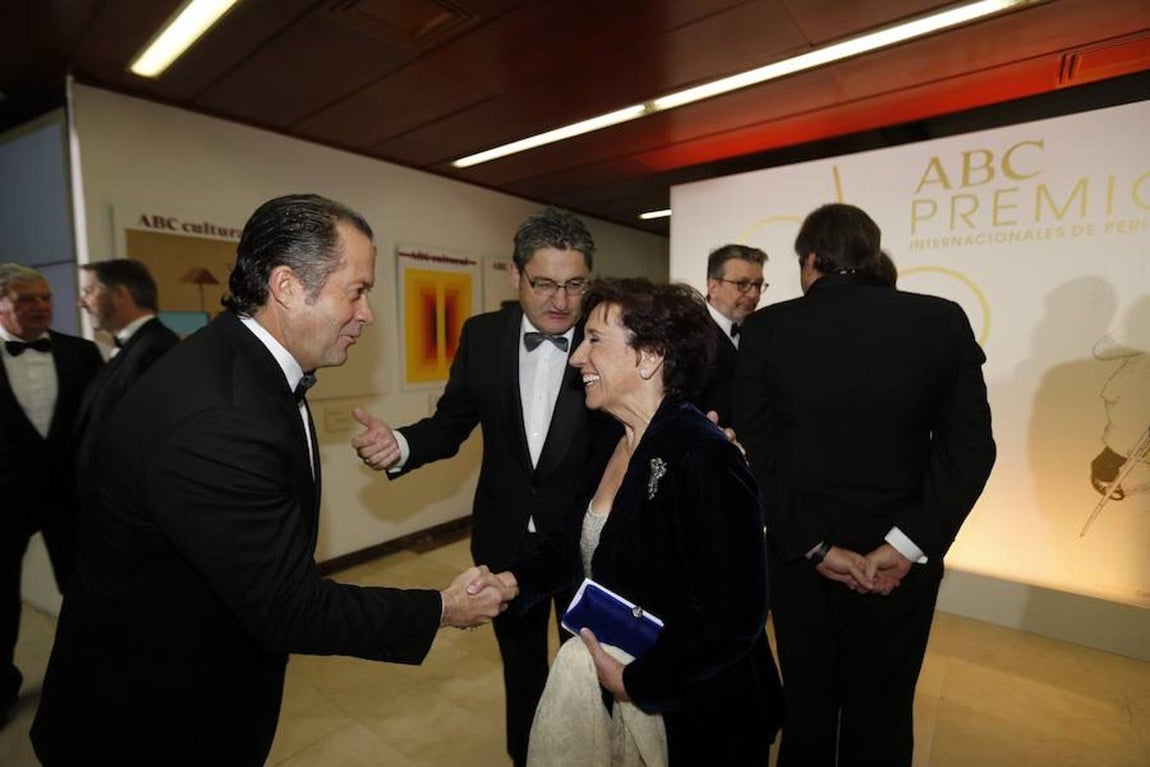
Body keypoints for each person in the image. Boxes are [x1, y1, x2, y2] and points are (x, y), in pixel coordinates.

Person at [30, 194, 514, 765]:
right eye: (356, 290)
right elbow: (289, 607)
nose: (368, 313)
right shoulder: (223, 416)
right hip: (151, 722)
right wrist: (443, 607)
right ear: (286, 286)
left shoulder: (242, 364)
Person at [736, 203, 996, 767]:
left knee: (806, 709)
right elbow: (971, 449)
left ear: (811, 260)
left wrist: (816, 545)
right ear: (872, 254)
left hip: (801, 562)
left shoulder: (766, 329)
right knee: (882, 713)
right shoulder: (942, 320)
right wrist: (905, 545)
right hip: (899, 567)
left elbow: (756, 455)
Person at [352, 207, 606, 766]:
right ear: (515, 277)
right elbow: (450, 423)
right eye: (544, 284)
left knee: (590, 676)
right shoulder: (483, 335)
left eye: (574, 285)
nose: (561, 301)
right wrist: (401, 444)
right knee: (522, 677)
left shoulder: (606, 338)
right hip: (505, 541)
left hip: (587, 548)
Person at [497, 278, 782, 764]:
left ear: (649, 357)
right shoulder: (611, 440)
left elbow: (734, 617)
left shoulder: (706, 456)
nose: (576, 357)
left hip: (703, 714)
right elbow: (573, 544)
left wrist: (636, 682)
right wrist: (509, 582)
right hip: (634, 698)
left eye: (594, 340)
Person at [0, 264, 102, 729]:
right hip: (1, 505)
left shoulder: (81, 354)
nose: (41, 306)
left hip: (71, 500)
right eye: (26, 299)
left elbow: (101, 429)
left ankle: (92, 679)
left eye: (45, 297)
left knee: (87, 593)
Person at [74, 258, 180, 472]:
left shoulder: (157, 349)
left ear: (120, 294)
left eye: (88, 291)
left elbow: (156, 439)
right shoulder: (135, 347)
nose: (81, 302)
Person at [696, 243, 767, 421]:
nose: (753, 294)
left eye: (757, 285)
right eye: (742, 284)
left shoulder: (759, 332)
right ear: (713, 286)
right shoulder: (692, 334)